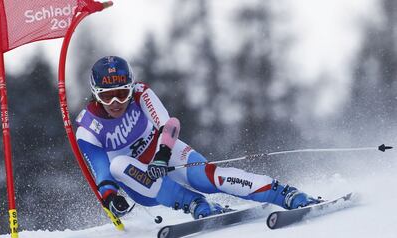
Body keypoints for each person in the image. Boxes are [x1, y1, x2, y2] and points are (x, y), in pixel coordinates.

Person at [75, 56, 321, 219]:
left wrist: (161, 155)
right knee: (119, 164)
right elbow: (102, 170)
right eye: (108, 96)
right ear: (96, 95)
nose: (116, 102)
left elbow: (168, 124)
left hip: (165, 152)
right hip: (142, 180)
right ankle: (193, 204)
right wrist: (110, 197)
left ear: (131, 87)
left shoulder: (141, 93)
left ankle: (284, 194)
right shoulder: (88, 129)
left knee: (208, 178)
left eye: (122, 93)